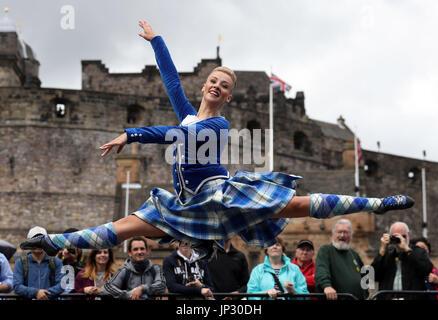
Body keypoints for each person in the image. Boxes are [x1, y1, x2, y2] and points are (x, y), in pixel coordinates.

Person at [20, 20, 415, 260]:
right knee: (125, 226)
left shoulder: (218, 126)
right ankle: (52, 241)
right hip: (183, 204)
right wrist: (157, 41)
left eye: (222, 85)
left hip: (219, 197)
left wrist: (133, 133)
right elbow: (172, 81)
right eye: (212, 81)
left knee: (293, 205)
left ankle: (378, 203)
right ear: (206, 85)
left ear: (227, 95)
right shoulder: (190, 114)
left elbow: (179, 136)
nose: (214, 86)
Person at [371, 222, 433, 300]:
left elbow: (427, 269)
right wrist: (382, 250)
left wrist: (407, 250)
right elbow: (372, 276)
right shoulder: (386, 254)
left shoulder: (418, 251)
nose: (399, 239)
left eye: (403, 236)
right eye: (395, 237)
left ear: (409, 236)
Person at [315, 219, 368, 300]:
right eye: (339, 232)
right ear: (333, 234)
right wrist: (327, 286)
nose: (342, 235)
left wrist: (366, 293)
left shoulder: (354, 254)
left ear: (351, 235)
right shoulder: (326, 250)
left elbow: (363, 275)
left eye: (346, 232)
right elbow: (321, 269)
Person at [13, 226, 64, 300]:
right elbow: (17, 286)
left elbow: (61, 285)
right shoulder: (20, 262)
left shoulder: (56, 262)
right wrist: (36, 293)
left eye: (41, 240)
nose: (37, 244)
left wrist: (43, 294)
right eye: (34, 241)